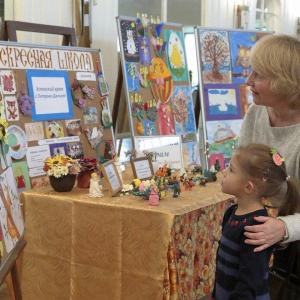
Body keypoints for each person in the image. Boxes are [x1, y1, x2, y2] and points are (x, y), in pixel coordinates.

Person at [239, 34, 300, 262]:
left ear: (285, 82)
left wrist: (284, 227)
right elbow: (241, 164)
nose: (248, 81)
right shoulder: (257, 113)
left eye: (259, 75)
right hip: (259, 233)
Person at [211, 143, 300, 300]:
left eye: (231, 169)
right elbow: (222, 268)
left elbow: (249, 285)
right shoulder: (231, 213)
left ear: (248, 186)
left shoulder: (256, 229)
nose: (223, 171)